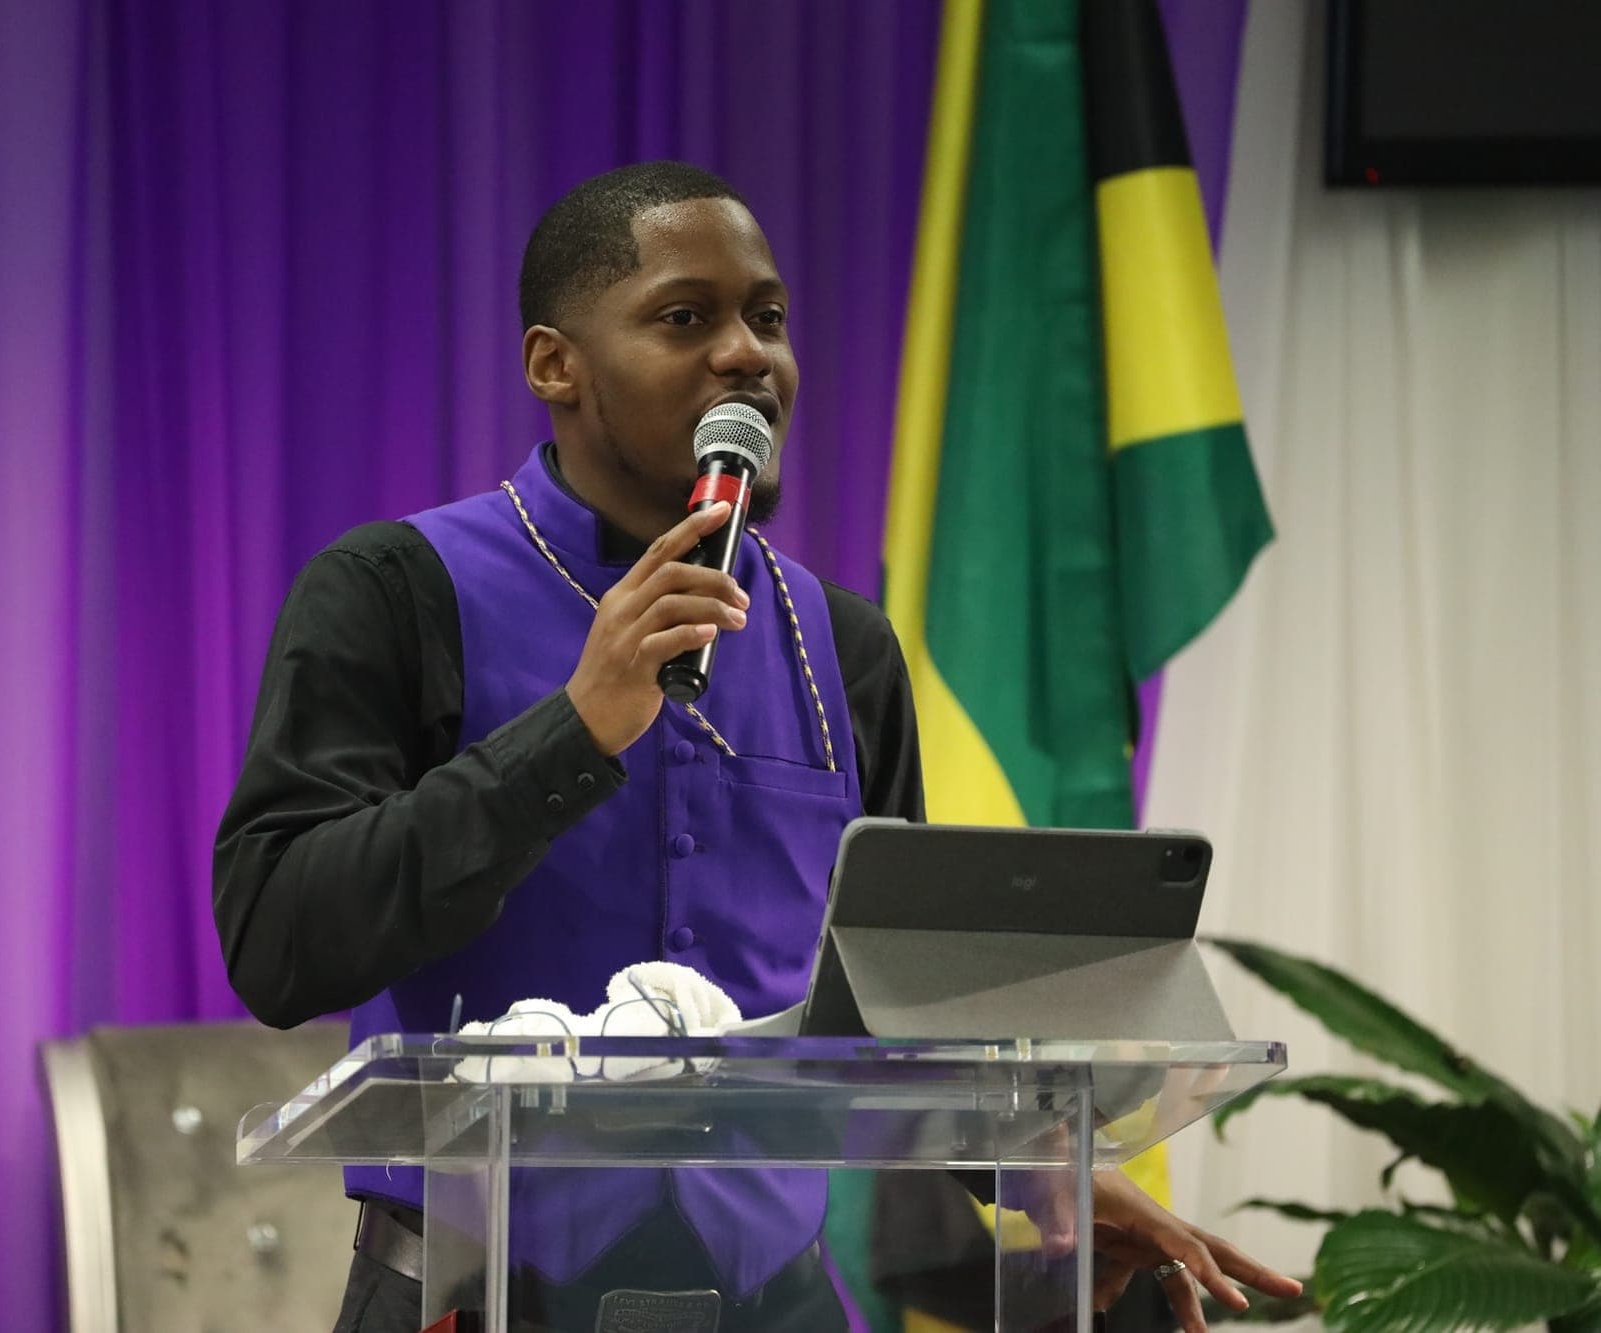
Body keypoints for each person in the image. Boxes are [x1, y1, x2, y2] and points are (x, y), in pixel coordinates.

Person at [214, 161, 1300, 1333]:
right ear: (553, 364)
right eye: (685, 318)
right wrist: (571, 732)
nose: (746, 354)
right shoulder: (392, 592)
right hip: (470, 1290)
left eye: (766, 319)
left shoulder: (844, 645)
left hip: (771, 1301)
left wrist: (1040, 1176)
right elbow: (280, 943)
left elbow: (892, 1004)